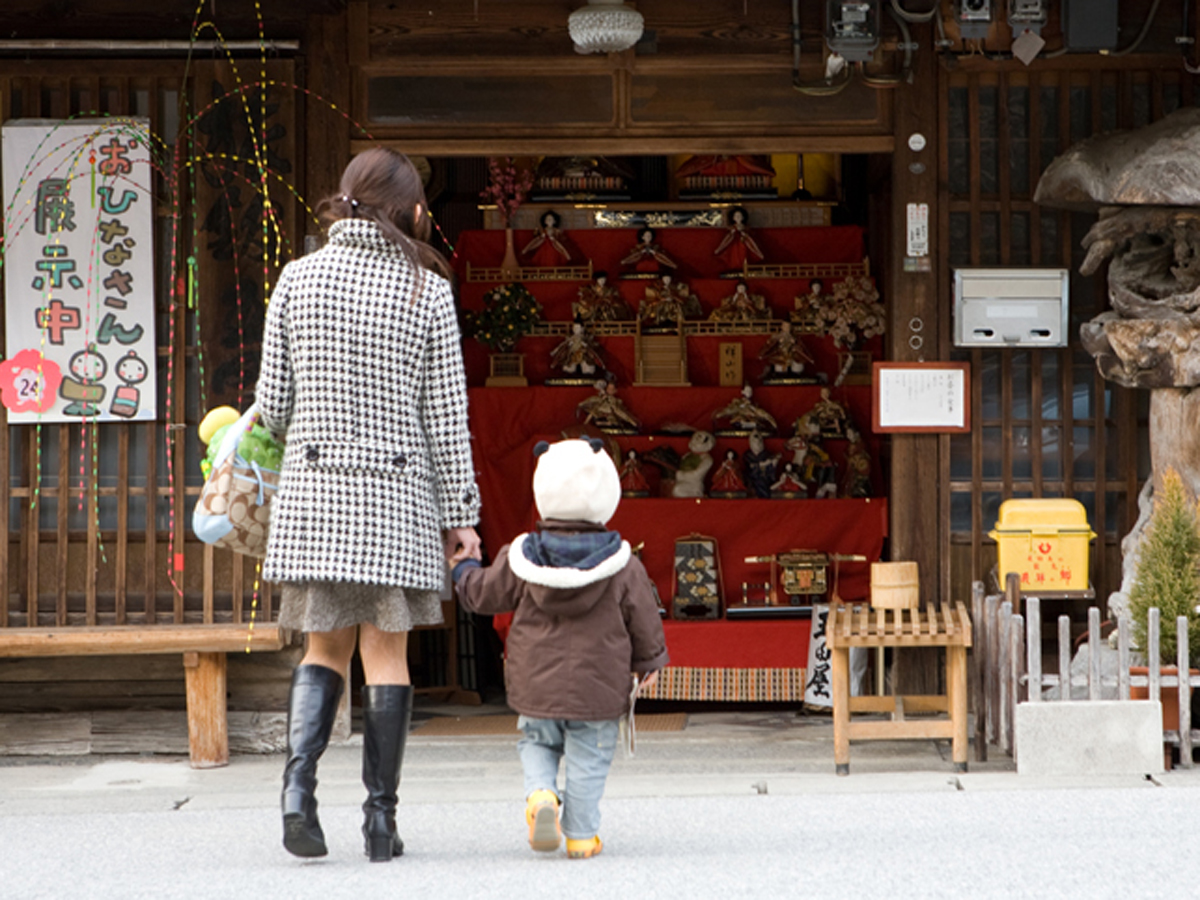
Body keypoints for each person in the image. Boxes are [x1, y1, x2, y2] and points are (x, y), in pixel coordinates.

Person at [256, 148, 482, 863]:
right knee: (387, 655)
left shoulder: (297, 279)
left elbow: (273, 406)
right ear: (412, 212)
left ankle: (298, 796)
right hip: (397, 496)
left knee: (324, 647)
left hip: (316, 495)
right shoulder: (426, 290)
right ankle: (380, 823)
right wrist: (462, 516)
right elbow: (446, 418)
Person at [450, 438, 669, 859]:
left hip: (535, 681)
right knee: (591, 755)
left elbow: (483, 596)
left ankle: (541, 797)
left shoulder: (522, 555)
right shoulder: (623, 562)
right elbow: (643, 615)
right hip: (598, 686)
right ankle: (582, 836)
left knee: (537, 741)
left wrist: (463, 569)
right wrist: (649, 661)